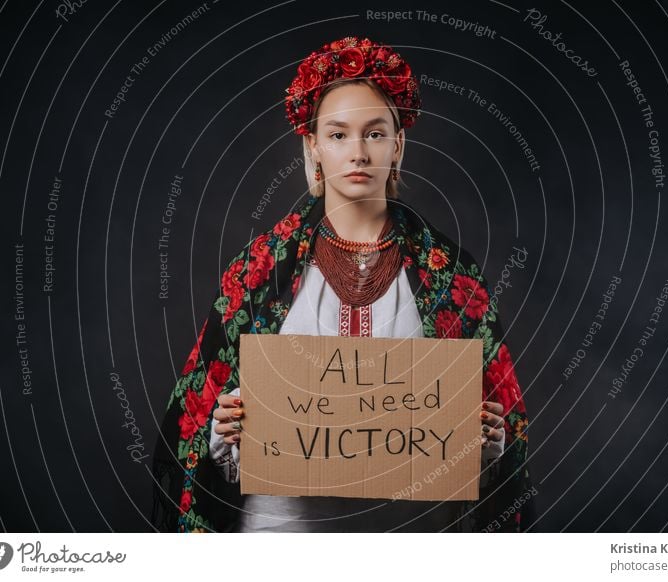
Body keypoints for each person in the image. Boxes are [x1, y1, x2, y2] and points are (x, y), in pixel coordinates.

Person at [151, 35, 530, 533]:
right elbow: (198, 437)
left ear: (398, 144)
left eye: (374, 133)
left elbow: (488, 452)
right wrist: (224, 433)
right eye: (337, 134)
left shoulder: (451, 276)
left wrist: (487, 441)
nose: (357, 152)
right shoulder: (260, 270)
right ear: (312, 146)